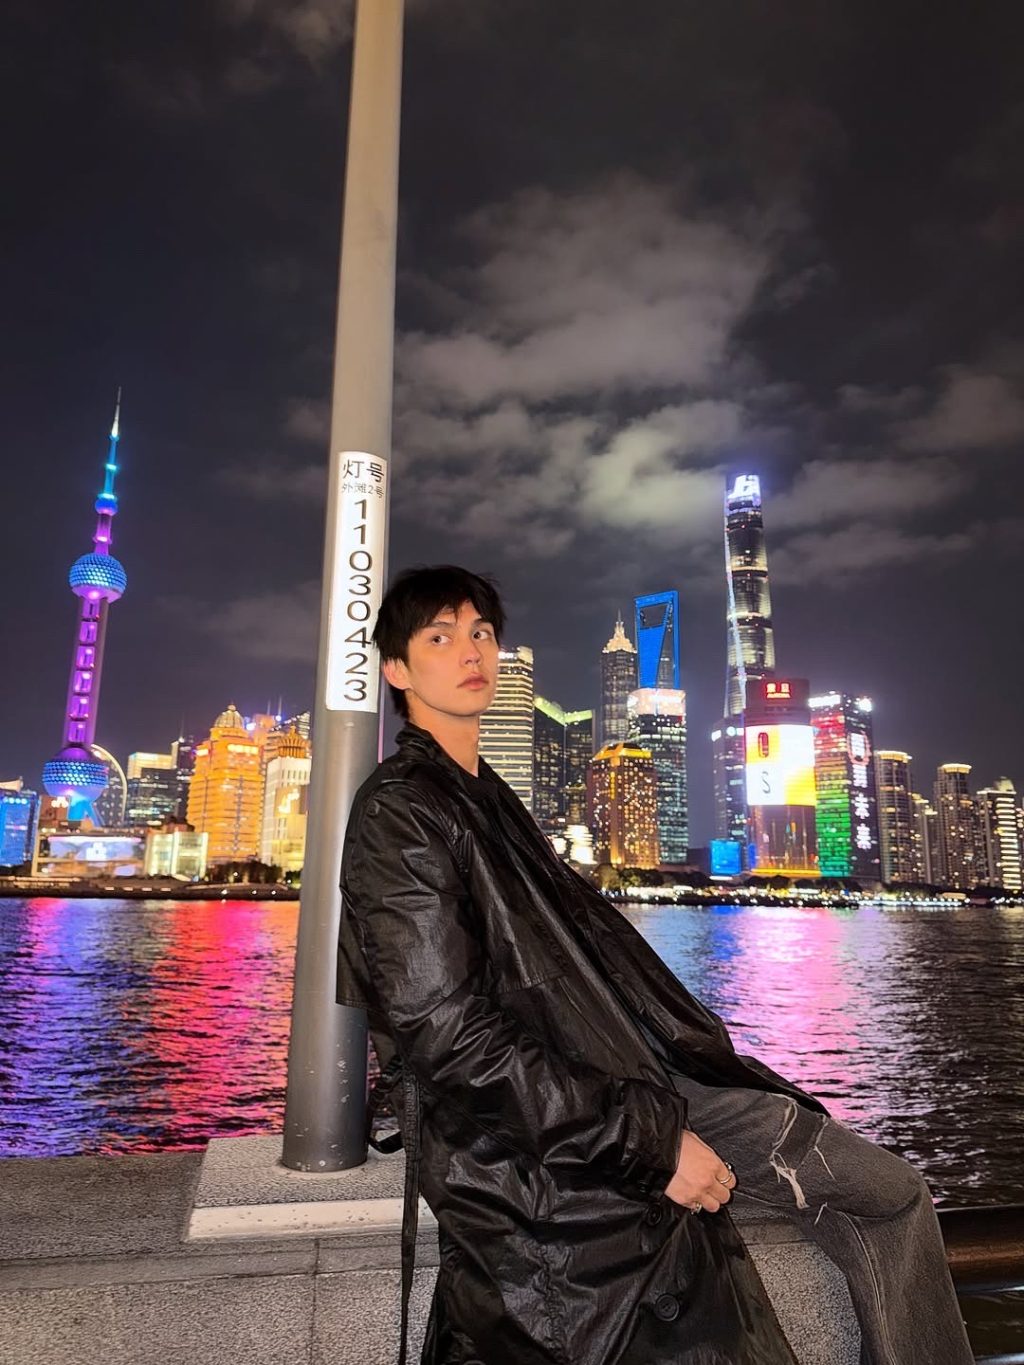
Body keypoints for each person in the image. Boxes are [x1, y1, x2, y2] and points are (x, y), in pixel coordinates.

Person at [337, 564, 973, 1365]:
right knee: (883, 1198)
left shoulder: (486, 799)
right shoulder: (402, 811)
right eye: (440, 636)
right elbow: (449, 1035)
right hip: (574, 1121)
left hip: (626, 1081)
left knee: (891, 1191)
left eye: (482, 632)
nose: (470, 650)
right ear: (397, 668)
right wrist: (653, 1142)